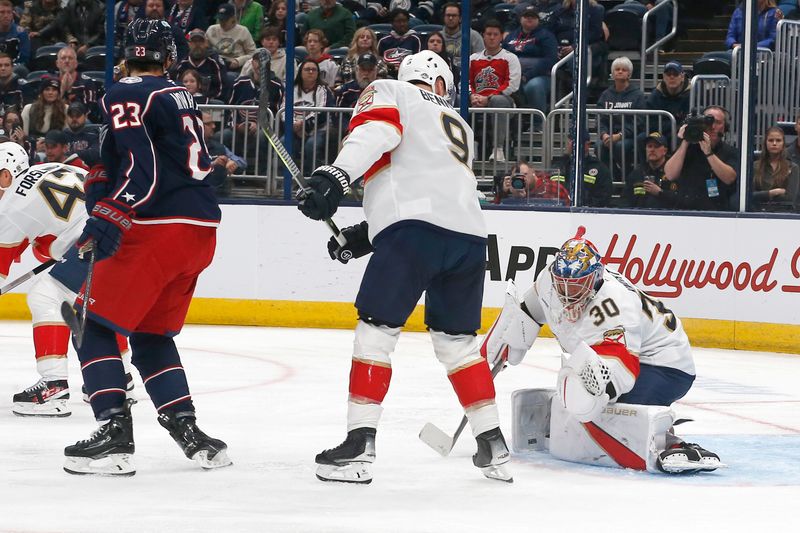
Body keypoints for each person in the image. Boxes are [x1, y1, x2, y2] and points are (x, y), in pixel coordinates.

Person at [298, 50, 513, 484]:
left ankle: (359, 445)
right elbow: (425, 183)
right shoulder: (460, 125)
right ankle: (493, 444)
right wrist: (367, 234)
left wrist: (333, 177)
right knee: (458, 344)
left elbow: (376, 134)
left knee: (375, 333)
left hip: (414, 234)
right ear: (442, 85)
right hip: (469, 240)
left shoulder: (390, 90)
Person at [62, 18, 231, 476]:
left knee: (89, 324)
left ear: (127, 54)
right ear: (169, 56)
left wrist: (112, 211)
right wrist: (102, 180)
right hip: (198, 230)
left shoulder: (124, 92)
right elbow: (166, 161)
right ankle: (190, 431)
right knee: (151, 336)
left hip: (158, 227)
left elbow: (143, 167)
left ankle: (114, 434)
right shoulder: (179, 93)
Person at [483, 226, 721, 474]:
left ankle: (669, 442)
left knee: (601, 407)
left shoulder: (613, 304)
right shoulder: (550, 281)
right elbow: (529, 310)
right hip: (637, 356)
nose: (567, 293)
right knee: (584, 402)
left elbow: (619, 375)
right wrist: (510, 341)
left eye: (576, 285)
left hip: (667, 365)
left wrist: (588, 398)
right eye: (562, 284)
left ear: (596, 277)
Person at [0, 142, 133, 417]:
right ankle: (121, 378)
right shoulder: (51, 168)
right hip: (123, 233)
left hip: (93, 242)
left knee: (46, 295)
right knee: (96, 304)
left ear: (6, 174)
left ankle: (53, 386)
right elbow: (47, 238)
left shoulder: (11, 205)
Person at [663, 105, 738, 210]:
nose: (712, 126)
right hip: (685, 210)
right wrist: (685, 141)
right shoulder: (687, 149)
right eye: (708, 121)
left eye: (718, 122)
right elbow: (670, 175)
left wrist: (709, 153)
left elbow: (730, 178)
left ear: (725, 127)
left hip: (718, 212)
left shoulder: (731, 152)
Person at [469, 19, 522, 163]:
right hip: (477, 99)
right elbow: (466, 82)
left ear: (501, 37)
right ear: (483, 36)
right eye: (488, 34)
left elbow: (512, 84)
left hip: (502, 100)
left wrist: (489, 98)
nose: (492, 37)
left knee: (497, 101)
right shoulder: (473, 59)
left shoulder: (510, 58)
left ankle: (498, 149)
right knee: (460, 99)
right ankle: (468, 146)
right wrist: (472, 95)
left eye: (495, 34)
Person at [596, 56, 647, 178]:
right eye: (617, 69)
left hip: (629, 136)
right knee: (599, 146)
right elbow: (600, 119)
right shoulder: (606, 95)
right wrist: (604, 134)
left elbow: (639, 122)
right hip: (609, 136)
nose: (620, 71)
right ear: (612, 74)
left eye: (623, 70)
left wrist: (619, 135)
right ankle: (611, 178)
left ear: (629, 74)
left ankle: (626, 176)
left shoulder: (638, 95)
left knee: (620, 146)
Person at [281, 58, 334, 172]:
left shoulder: (323, 90)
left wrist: (304, 124)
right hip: (294, 129)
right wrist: (293, 126)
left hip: (317, 129)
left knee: (311, 146)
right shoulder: (291, 89)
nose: (310, 72)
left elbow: (322, 112)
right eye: (307, 69)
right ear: (300, 72)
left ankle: (312, 178)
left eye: (314, 70)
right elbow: (283, 110)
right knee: (283, 142)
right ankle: (287, 178)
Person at [502, 7, 557, 116]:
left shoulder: (546, 36)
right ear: (520, 18)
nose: (529, 19)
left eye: (533, 16)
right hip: (512, 75)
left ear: (538, 19)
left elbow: (550, 60)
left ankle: (538, 123)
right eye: (526, 16)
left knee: (534, 86)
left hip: (540, 75)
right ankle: (513, 121)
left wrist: (527, 75)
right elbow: (503, 56)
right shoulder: (510, 37)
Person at [550, 133, 612, 207]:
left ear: (587, 145)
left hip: (587, 214)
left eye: (573, 143)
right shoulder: (559, 165)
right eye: (569, 142)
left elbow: (603, 198)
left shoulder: (600, 169)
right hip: (559, 212)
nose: (569, 146)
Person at [623, 132, 677, 208]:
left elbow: (680, 200)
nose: (652, 150)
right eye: (649, 146)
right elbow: (626, 200)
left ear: (665, 151)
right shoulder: (637, 174)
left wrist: (660, 193)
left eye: (656, 146)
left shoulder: (673, 172)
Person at [751, 126, 800, 212]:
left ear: (783, 144)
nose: (774, 143)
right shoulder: (755, 166)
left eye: (778, 140)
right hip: (758, 214)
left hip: (784, 215)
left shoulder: (793, 167)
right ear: (765, 143)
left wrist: (762, 195)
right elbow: (749, 196)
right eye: (770, 140)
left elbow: (790, 199)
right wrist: (772, 193)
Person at [34, 0, 105, 58]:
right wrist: (40, 32)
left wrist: (88, 45)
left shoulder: (101, 7)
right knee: (60, 47)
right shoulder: (71, 5)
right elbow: (58, 21)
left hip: (94, 45)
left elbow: (101, 33)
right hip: (76, 44)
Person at [173, 29, 228, 101]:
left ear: (206, 43)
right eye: (194, 42)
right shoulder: (182, 65)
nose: (197, 45)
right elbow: (175, 89)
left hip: (210, 105)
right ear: (189, 44)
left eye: (200, 41)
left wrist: (204, 100)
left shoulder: (215, 62)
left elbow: (222, 90)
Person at [206, 3, 257, 73]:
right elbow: (205, 49)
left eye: (225, 20)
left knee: (230, 77)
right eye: (220, 19)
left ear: (233, 18)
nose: (222, 22)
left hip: (235, 65)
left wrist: (239, 61)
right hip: (215, 63)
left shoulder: (243, 31)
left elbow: (253, 53)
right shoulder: (212, 30)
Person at [646, 61, 690, 140]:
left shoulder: (691, 94)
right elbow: (650, 122)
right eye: (668, 74)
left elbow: (688, 122)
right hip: (658, 133)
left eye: (675, 74)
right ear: (663, 77)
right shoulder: (655, 95)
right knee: (641, 138)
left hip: (681, 133)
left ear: (682, 77)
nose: (672, 77)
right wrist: (673, 124)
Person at [441, 2, 484, 81]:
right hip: (443, 77)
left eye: (454, 15)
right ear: (444, 17)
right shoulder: (437, 38)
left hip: (468, 79)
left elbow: (482, 61)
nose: (450, 18)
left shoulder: (473, 36)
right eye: (448, 15)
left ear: (460, 18)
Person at [378, 8, 421, 77]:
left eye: (404, 21)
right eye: (398, 21)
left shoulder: (415, 39)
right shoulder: (384, 40)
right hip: (387, 74)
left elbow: (418, 61)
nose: (402, 24)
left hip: (409, 74)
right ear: (392, 23)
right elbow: (378, 59)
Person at [62, 100, 99, 166]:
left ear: (85, 117)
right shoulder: (61, 135)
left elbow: (95, 153)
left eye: (78, 115)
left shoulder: (94, 134)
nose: (74, 119)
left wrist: (73, 155)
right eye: (71, 116)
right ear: (66, 117)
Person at [0, 0, 31, 70]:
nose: (6, 15)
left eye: (9, 12)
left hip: (14, 69)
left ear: (12, 14)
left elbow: (24, 59)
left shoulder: (21, 33)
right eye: (2, 12)